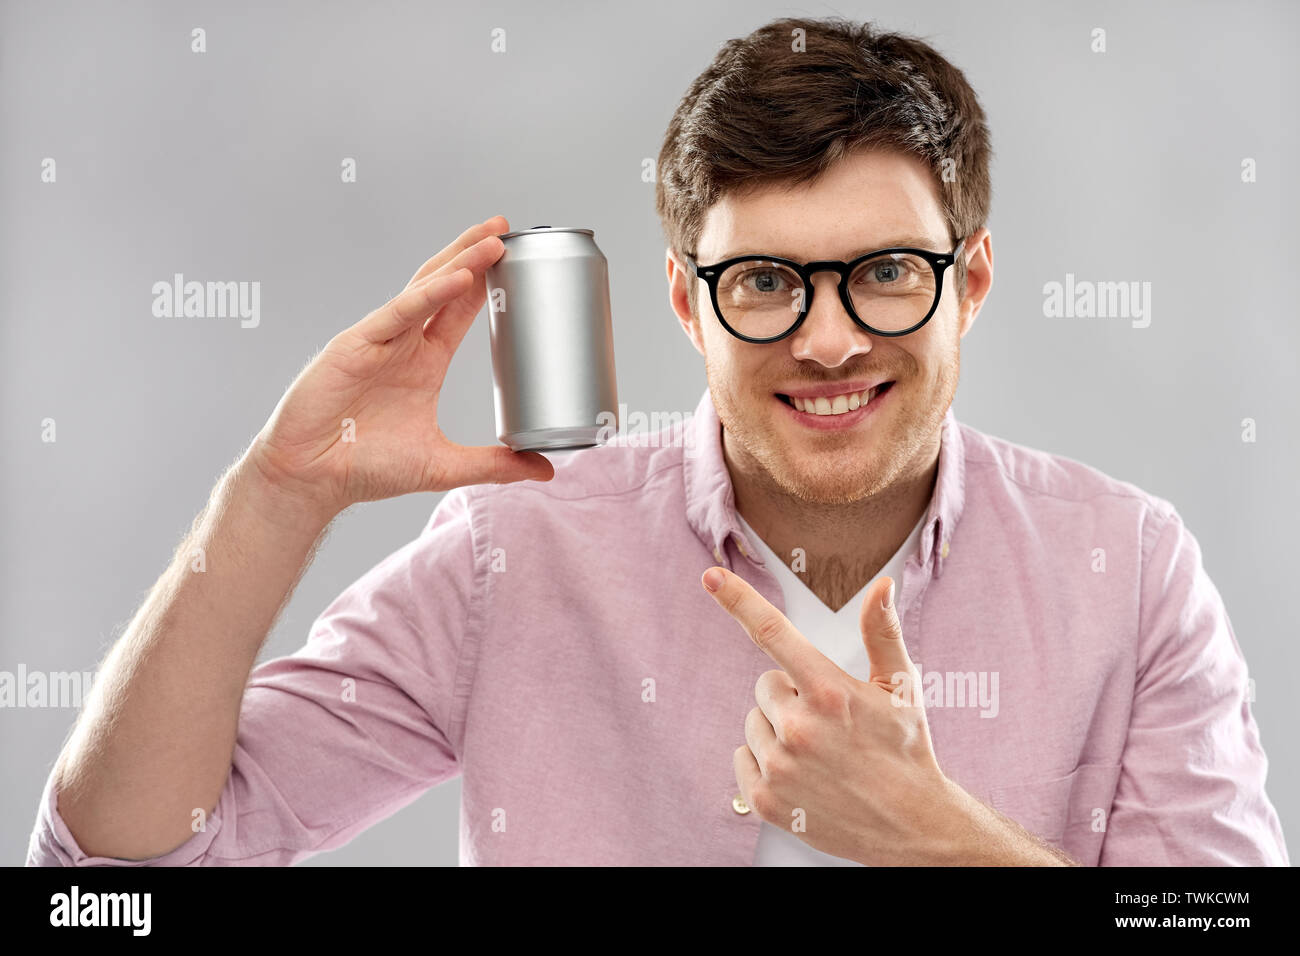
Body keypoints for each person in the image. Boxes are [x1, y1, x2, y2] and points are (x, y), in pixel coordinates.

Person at [28, 16, 1288, 867]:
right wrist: (276, 491)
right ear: (688, 302)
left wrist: (939, 838)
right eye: (764, 284)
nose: (832, 340)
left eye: (887, 272)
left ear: (971, 282)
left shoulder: (1126, 564)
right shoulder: (515, 546)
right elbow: (118, 878)